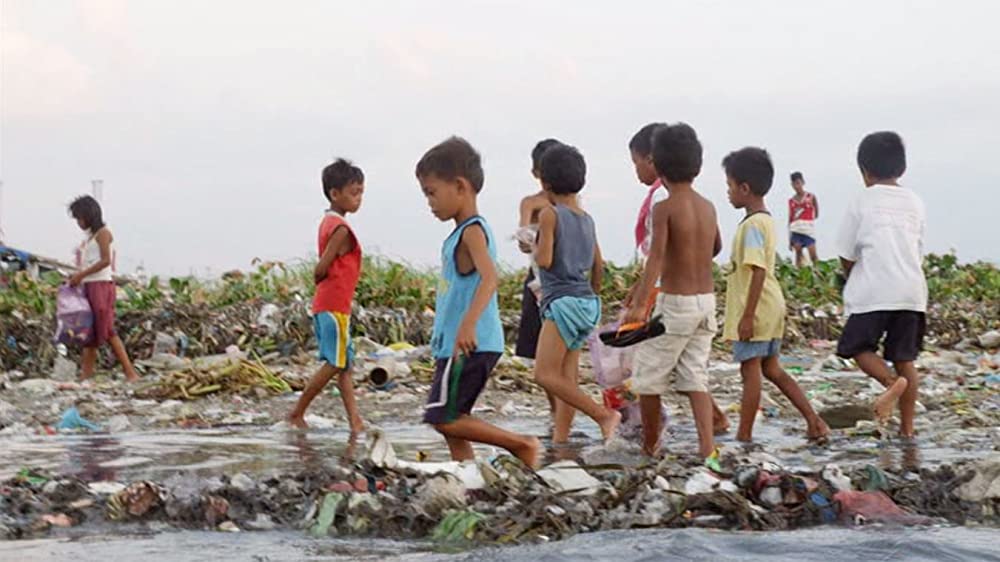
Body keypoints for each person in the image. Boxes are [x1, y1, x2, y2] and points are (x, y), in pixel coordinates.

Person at [416, 136, 541, 466]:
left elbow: (490, 277)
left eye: (432, 192)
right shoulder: (461, 233)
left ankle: (521, 444)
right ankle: (468, 476)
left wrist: (467, 324)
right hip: (462, 343)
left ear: (460, 186)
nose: (429, 202)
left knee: (443, 416)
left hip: (470, 342)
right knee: (454, 421)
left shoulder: (472, 231)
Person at [623, 123, 720, 459]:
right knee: (696, 375)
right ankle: (708, 449)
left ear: (658, 165)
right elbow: (716, 246)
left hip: (675, 304)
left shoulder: (663, 208)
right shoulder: (708, 206)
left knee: (647, 377)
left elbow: (656, 258)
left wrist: (638, 305)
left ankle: (651, 447)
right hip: (706, 302)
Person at [721, 148, 830, 443]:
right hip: (771, 305)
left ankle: (744, 435)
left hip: (757, 308)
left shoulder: (753, 225)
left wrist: (746, 316)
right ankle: (814, 420)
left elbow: (756, 270)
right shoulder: (765, 220)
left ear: (745, 188)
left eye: (730, 186)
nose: (728, 192)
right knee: (772, 369)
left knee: (751, 370)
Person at [835, 131, 925, 437]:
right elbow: (917, 248)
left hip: (874, 291)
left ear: (865, 171)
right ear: (901, 168)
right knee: (905, 359)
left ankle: (890, 384)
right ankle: (908, 431)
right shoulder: (915, 202)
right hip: (912, 291)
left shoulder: (861, 201)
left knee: (857, 346)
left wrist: (851, 277)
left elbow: (846, 254)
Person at [532, 143, 622, 444]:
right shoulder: (587, 219)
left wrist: (532, 243)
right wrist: (592, 297)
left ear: (544, 182)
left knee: (545, 374)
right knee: (566, 379)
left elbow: (544, 260)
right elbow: (598, 264)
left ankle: (603, 415)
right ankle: (561, 440)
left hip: (562, 302)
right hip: (586, 303)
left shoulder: (549, 214)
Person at [287, 158, 365, 433]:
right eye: (354, 192)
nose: (359, 198)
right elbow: (321, 267)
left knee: (345, 366)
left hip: (333, 306)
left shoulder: (328, 222)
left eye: (361, 192)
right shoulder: (341, 228)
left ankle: (355, 421)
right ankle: (297, 412)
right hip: (333, 305)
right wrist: (324, 278)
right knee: (335, 363)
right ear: (335, 194)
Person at [68, 196, 139, 382]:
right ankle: (86, 374)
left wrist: (81, 275)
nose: (78, 223)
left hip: (101, 285)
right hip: (89, 285)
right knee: (90, 331)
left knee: (107, 330)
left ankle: (130, 372)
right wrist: (78, 277)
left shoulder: (103, 233)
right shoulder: (90, 237)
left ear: (89, 215)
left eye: (79, 218)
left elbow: (106, 260)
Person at [515, 138, 562, 418]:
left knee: (557, 355)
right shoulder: (532, 204)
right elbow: (523, 240)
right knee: (540, 354)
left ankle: (562, 414)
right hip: (537, 280)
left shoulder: (569, 205)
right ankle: (556, 411)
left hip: (559, 282)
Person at [788, 171, 820, 267]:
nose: (797, 186)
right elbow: (790, 218)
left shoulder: (810, 197)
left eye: (798, 183)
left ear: (802, 182)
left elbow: (816, 211)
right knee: (798, 254)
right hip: (796, 230)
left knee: (813, 255)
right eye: (794, 184)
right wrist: (790, 239)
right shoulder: (791, 201)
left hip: (807, 230)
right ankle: (799, 278)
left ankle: (820, 275)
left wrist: (809, 220)